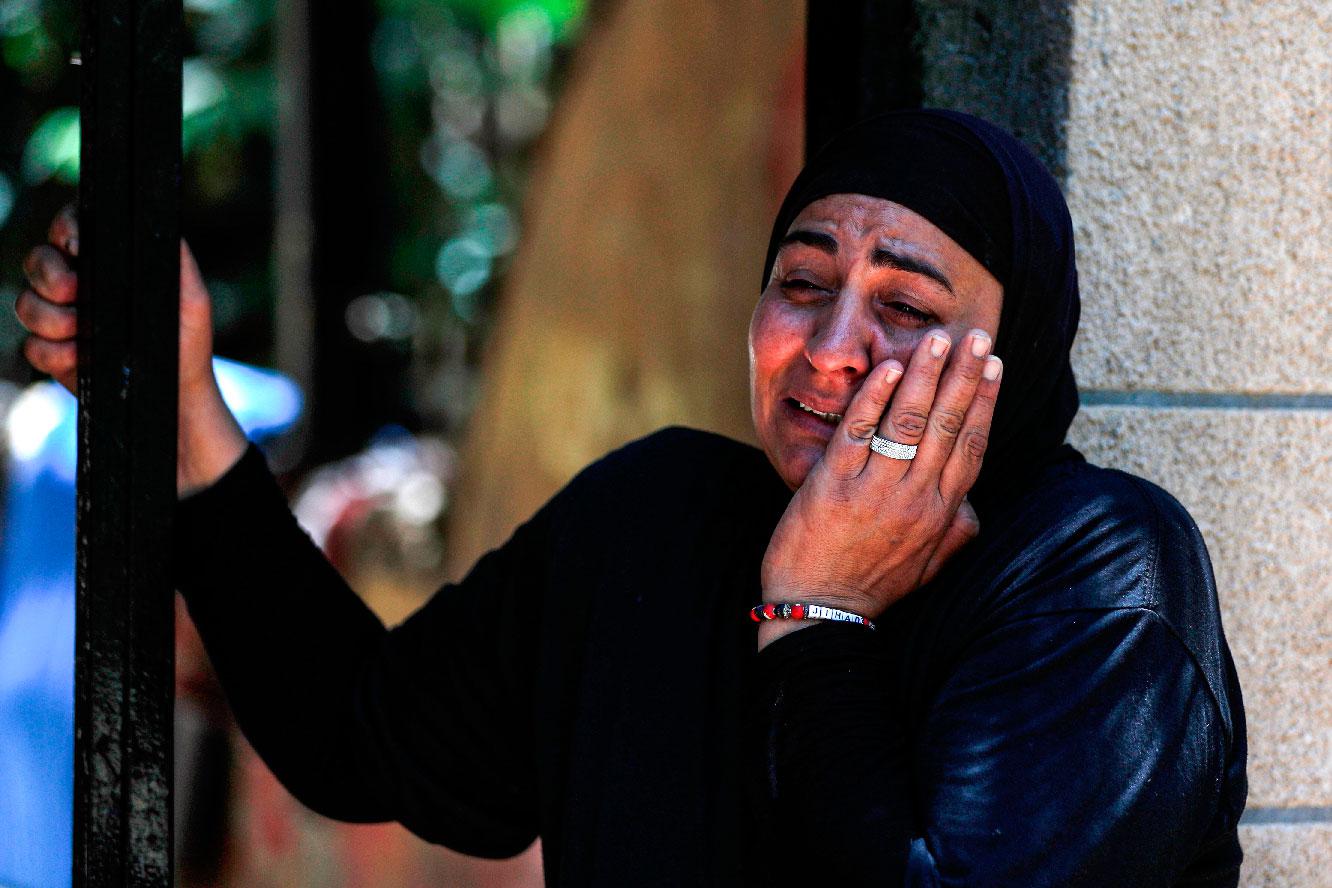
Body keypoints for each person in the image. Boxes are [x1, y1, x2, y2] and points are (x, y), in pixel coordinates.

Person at [17, 109, 1246, 886]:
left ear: (1015, 355)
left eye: (908, 310)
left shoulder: (1097, 577)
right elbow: (360, 735)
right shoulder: (656, 522)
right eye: (802, 281)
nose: (830, 346)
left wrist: (819, 619)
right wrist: (184, 405)